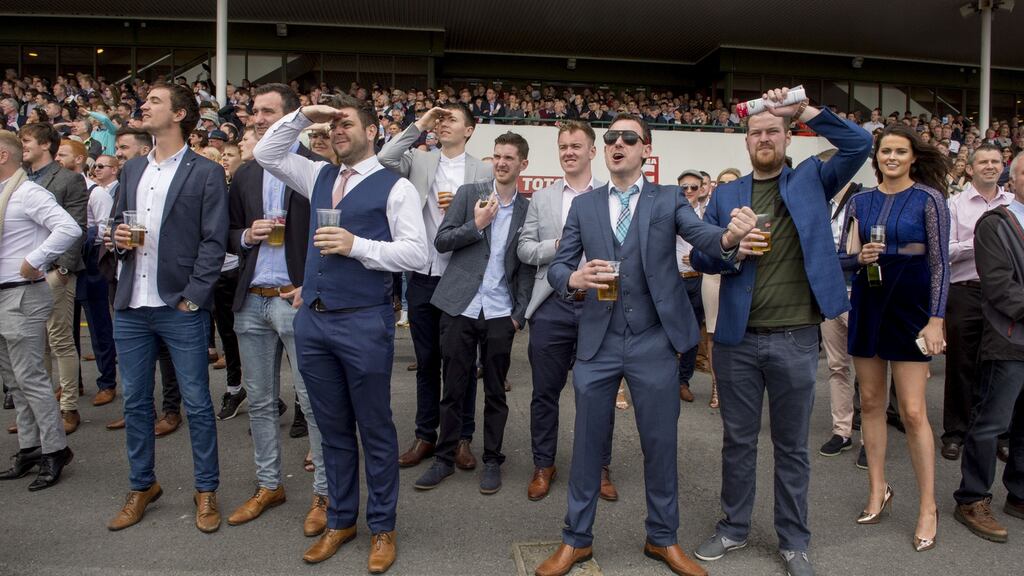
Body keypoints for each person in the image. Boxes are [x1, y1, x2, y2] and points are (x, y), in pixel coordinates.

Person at [536, 112, 754, 576]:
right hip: (598, 339)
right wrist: (573, 278)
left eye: (628, 137)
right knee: (588, 446)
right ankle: (576, 541)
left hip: (654, 340)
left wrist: (731, 236)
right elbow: (559, 266)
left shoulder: (669, 198)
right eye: (611, 137)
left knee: (660, 445)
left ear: (645, 150)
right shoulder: (586, 205)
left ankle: (662, 539)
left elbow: (704, 239)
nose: (617, 143)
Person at [692, 87, 872, 576]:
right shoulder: (726, 195)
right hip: (737, 340)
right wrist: (731, 244)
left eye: (774, 130)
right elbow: (702, 255)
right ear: (746, 142)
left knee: (791, 447)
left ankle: (794, 541)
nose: (764, 139)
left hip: (796, 338)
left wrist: (806, 109)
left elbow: (860, 145)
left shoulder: (813, 177)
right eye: (756, 133)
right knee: (738, 441)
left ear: (789, 136)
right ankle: (733, 527)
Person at [253, 95, 427, 571]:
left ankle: (383, 527)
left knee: (374, 427)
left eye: (346, 124)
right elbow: (266, 153)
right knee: (330, 429)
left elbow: (417, 254)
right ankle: (341, 520)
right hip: (314, 320)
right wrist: (304, 117)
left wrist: (357, 246)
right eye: (332, 127)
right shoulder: (318, 174)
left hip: (364, 321)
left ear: (372, 132)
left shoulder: (396, 188)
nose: (337, 132)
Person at [105, 82, 228, 534]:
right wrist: (117, 241)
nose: (145, 105)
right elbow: (119, 223)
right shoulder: (132, 169)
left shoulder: (205, 172)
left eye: (154, 101)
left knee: (196, 404)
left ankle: (206, 489)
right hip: (131, 304)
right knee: (137, 401)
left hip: (179, 305)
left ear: (179, 115)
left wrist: (192, 299)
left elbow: (215, 243)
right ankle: (142, 486)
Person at [224, 83, 330, 537]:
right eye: (255, 112)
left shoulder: (318, 168)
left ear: (292, 117)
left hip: (295, 299)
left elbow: (332, 237)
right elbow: (226, 232)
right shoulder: (246, 174)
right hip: (251, 300)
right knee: (262, 403)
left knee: (314, 401)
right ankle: (269, 485)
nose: (259, 119)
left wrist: (311, 285)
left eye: (269, 112)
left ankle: (324, 493)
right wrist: (246, 236)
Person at [839, 124, 949, 552]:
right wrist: (857, 257)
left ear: (913, 157)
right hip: (868, 301)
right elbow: (845, 255)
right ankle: (877, 488)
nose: (892, 157)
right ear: (877, 156)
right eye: (886, 151)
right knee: (868, 401)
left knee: (913, 410)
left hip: (912, 307)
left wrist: (937, 320)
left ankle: (928, 506)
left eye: (900, 151)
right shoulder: (860, 201)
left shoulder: (929, 199)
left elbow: (939, 265)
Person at [413, 132, 535, 495]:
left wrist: (519, 314)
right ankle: (444, 459)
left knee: (496, 391)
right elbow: (442, 240)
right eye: (497, 156)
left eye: (509, 158)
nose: (501, 162)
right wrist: (477, 225)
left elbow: (527, 267)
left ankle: (493, 460)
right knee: (453, 387)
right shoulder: (470, 195)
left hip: (501, 312)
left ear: (522, 165)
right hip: (460, 306)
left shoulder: (528, 210)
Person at [378, 102, 491, 470]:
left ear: (469, 130)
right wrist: (421, 123)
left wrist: (462, 213)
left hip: (461, 276)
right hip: (423, 275)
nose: (443, 124)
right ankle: (426, 435)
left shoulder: (483, 170)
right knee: (426, 362)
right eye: (440, 120)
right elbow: (385, 156)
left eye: (450, 120)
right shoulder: (421, 160)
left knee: (462, 363)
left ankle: (462, 438)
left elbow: (493, 219)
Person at [517, 121, 617, 502]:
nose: (569, 151)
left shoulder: (612, 196)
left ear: (593, 151)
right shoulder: (542, 199)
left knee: (599, 394)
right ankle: (544, 464)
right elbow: (524, 249)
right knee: (544, 392)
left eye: (577, 145)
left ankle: (600, 467)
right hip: (554, 305)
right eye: (563, 146)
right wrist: (558, 245)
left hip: (601, 305)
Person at [0, 130, 80, 491]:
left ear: (4, 155)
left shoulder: (27, 192)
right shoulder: (4, 194)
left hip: (22, 295)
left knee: (30, 378)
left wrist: (36, 259)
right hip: (4, 297)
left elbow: (69, 227)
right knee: (14, 381)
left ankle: (55, 449)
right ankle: (30, 448)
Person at [953, 151, 1024, 543]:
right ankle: (972, 497)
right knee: (991, 424)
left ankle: (1019, 493)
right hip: (1008, 339)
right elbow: (1000, 288)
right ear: (1013, 179)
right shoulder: (995, 223)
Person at [942, 144, 1012, 461]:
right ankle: (956, 433)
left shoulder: (1013, 204)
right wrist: (984, 242)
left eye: (995, 161)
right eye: (983, 161)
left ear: (1002, 167)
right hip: (965, 290)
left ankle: (998, 433)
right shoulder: (954, 204)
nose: (989, 166)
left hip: (1004, 295)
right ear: (970, 168)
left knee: (999, 367)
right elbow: (947, 249)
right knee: (960, 364)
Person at [20, 122, 88, 435]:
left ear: (46, 144)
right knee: (36, 344)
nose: (23, 146)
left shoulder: (69, 179)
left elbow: (77, 227)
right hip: (22, 275)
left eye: (27, 140)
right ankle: (43, 410)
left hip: (53, 272)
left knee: (60, 341)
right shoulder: (18, 178)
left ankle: (68, 407)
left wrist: (62, 269)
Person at [676, 169, 707, 403]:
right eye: (683, 187)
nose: (688, 191)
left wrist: (699, 256)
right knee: (666, 332)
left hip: (698, 279)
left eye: (693, 187)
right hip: (673, 280)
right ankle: (665, 380)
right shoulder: (669, 213)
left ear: (701, 190)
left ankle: (683, 381)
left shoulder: (708, 215)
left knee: (692, 333)